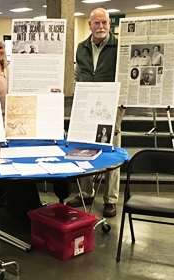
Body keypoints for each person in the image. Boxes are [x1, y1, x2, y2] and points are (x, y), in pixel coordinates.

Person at [0, 34, 42, 220]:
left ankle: (16, 204)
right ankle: (2, 202)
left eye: (1, 47)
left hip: (17, 124)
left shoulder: (11, 69)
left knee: (17, 165)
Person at [67, 7, 125, 218]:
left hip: (112, 105)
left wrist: (123, 102)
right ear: (90, 25)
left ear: (110, 25)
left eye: (104, 23)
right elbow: (79, 73)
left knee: (112, 152)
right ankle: (86, 193)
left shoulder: (119, 47)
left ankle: (110, 199)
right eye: (97, 23)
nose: (101, 27)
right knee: (84, 149)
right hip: (86, 105)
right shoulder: (82, 47)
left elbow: (125, 75)